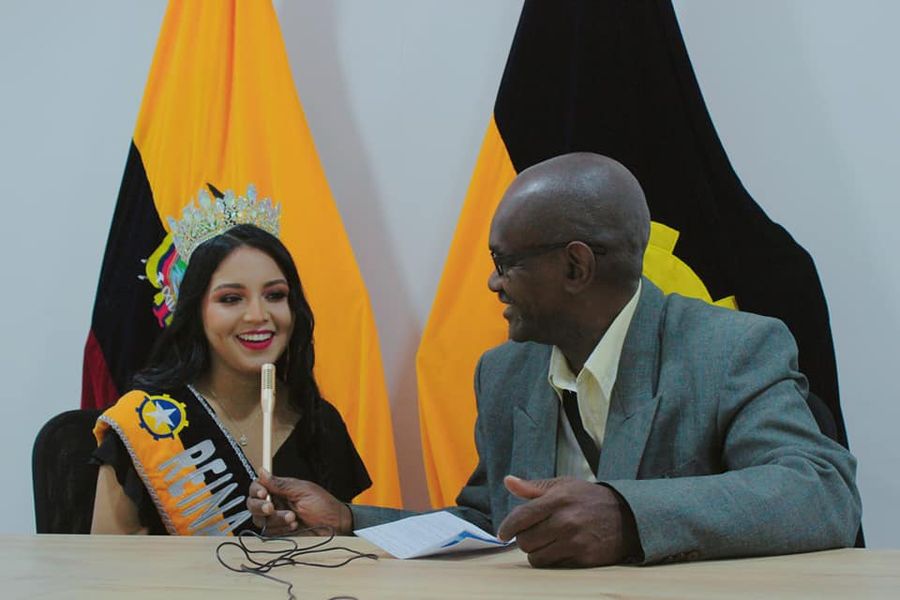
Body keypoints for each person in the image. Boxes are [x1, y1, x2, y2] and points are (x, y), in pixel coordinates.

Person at [247, 153, 861, 566]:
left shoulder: (732, 349)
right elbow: (488, 522)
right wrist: (350, 521)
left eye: (504, 262)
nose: (493, 283)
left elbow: (822, 493)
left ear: (575, 266)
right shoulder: (503, 372)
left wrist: (627, 515)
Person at [91, 192, 370, 535]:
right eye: (231, 299)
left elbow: (344, 554)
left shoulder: (320, 423)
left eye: (275, 295)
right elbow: (105, 562)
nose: (258, 315)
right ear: (196, 312)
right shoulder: (147, 425)